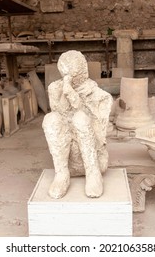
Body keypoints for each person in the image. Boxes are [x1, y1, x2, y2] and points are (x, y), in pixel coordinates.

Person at [42, 50, 113, 199]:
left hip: (91, 152)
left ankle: (92, 174)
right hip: (69, 153)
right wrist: (66, 90)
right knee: (50, 119)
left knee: (80, 118)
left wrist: (73, 95)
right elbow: (60, 114)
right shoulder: (55, 88)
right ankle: (61, 174)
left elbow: (94, 120)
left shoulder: (92, 90)